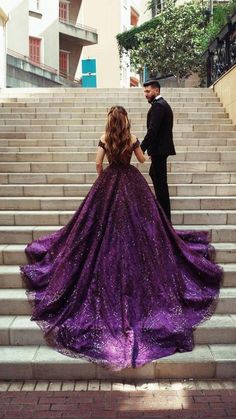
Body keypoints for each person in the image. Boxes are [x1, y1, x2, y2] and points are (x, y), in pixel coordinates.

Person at [20, 106, 223, 371]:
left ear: (109, 120)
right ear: (125, 120)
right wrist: (135, 151)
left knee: (95, 229)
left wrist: (103, 180)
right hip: (131, 182)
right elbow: (141, 160)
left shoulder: (105, 138)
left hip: (109, 182)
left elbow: (97, 162)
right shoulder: (131, 137)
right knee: (144, 228)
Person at [141, 79, 176, 221]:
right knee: (155, 175)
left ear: (156, 90)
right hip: (159, 150)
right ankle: (162, 213)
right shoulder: (161, 105)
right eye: (145, 91)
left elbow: (153, 130)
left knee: (161, 183)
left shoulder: (159, 106)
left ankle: (165, 218)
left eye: (148, 91)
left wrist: (141, 147)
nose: (146, 94)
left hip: (160, 150)